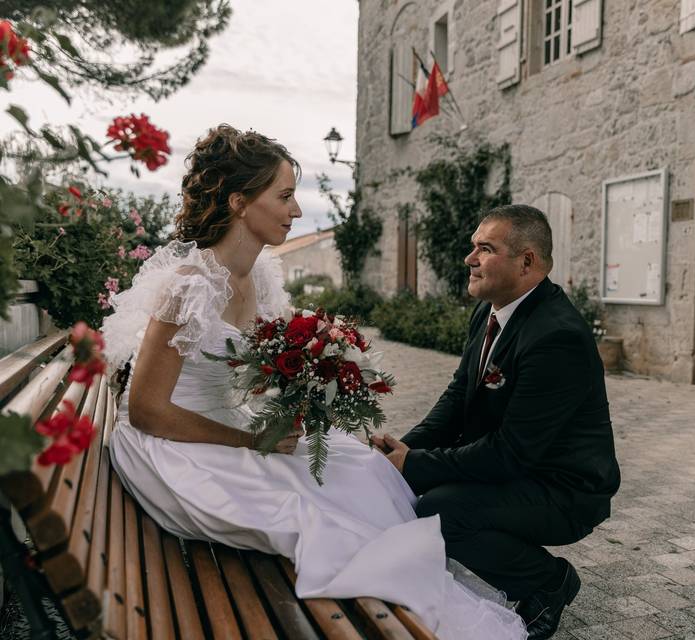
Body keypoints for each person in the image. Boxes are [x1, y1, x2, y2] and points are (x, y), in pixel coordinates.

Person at [100, 125, 527, 639]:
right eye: (283, 196)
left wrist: (305, 391)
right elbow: (146, 410)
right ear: (239, 201)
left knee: (364, 470)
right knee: (318, 514)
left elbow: (254, 377)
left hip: (226, 428)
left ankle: (400, 612)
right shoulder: (190, 285)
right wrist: (250, 439)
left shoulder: (256, 276)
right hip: (173, 448)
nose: (296, 211)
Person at [371, 205, 621, 640]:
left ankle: (548, 581)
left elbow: (512, 452)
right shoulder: (491, 310)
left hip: (566, 488)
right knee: (416, 489)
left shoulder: (556, 336)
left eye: (485, 249)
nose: (469, 259)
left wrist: (417, 465)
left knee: (441, 509)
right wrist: (398, 456)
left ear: (527, 262)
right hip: (523, 468)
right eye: (473, 247)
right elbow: (457, 401)